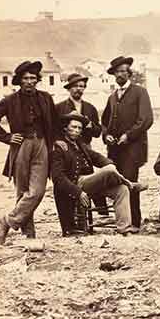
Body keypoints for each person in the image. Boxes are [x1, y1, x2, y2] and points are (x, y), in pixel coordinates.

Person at [0, 60, 59, 244]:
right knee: (22, 190)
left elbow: (56, 121)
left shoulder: (45, 98)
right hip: (21, 146)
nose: (29, 81)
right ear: (19, 81)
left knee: (37, 190)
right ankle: (29, 233)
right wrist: (7, 137)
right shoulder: (9, 100)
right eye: (26, 78)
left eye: (33, 78)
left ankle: (7, 221)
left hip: (41, 144)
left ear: (37, 80)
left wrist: (57, 141)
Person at [52, 112, 141, 235]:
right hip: (77, 184)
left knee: (122, 189)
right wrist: (78, 192)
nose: (77, 131)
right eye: (74, 127)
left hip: (91, 183)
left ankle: (124, 228)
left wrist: (109, 163)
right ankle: (130, 183)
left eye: (79, 128)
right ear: (65, 128)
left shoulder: (80, 145)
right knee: (108, 170)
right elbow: (58, 178)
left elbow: (97, 157)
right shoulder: (59, 147)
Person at [101, 56, 153, 229]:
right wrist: (106, 135)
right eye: (117, 72)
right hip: (115, 150)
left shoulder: (140, 92)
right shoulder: (113, 97)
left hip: (133, 148)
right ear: (114, 75)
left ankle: (135, 222)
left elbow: (146, 119)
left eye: (124, 71)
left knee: (130, 182)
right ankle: (122, 221)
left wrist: (128, 136)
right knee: (118, 183)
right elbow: (105, 121)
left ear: (129, 73)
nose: (120, 74)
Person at [56, 72, 108, 215]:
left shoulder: (90, 108)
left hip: (85, 147)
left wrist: (90, 125)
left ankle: (100, 212)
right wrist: (60, 142)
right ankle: (74, 217)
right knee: (70, 181)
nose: (79, 89)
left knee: (90, 179)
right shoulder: (59, 107)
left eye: (82, 86)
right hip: (67, 149)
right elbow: (54, 129)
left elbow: (98, 131)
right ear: (69, 88)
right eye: (75, 86)